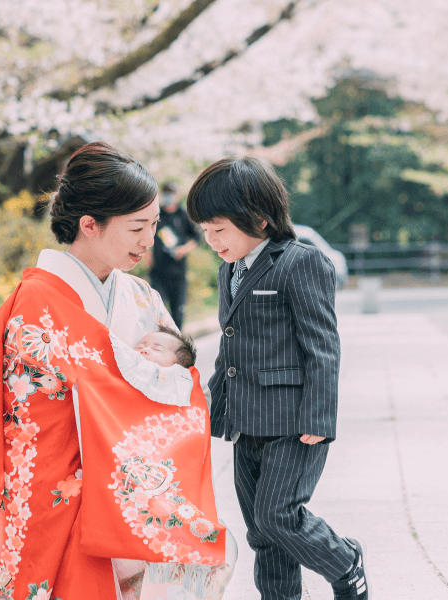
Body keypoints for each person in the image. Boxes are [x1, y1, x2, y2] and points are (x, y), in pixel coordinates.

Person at [0, 142, 233, 600]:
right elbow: (30, 417)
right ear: (89, 225)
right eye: (136, 227)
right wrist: (125, 385)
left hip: (125, 499)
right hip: (47, 493)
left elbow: (181, 386)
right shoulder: (32, 305)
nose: (149, 240)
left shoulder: (142, 297)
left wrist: (172, 363)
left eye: (152, 225)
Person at [186, 156, 369, 600]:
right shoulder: (229, 270)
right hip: (245, 422)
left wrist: (320, 418)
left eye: (219, 229)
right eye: (205, 232)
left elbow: (323, 346)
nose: (211, 241)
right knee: (262, 533)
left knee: (278, 516)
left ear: (260, 219)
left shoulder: (301, 263)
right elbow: (229, 350)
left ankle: (345, 562)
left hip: (293, 422)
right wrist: (209, 409)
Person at [149, 181, 200, 327]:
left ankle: (177, 345)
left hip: (178, 272)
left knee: (178, 313)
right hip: (158, 271)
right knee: (156, 310)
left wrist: (183, 250)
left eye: (171, 193)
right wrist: (147, 254)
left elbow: (196, 237)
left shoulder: (183, 215)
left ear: (177, 195)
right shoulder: (157, 214)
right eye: (166, 193)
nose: (168, 196)